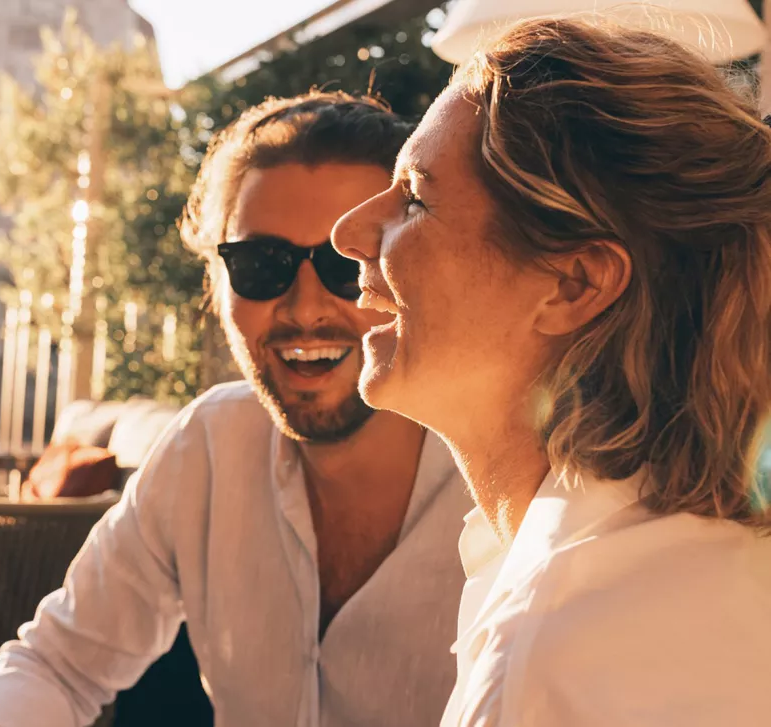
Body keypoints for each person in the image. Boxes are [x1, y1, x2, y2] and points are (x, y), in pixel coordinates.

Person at [0, 92, 471, 727]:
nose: (306, 307)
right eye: (264, 265)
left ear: (410, 269)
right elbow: (61, 663)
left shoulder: (498, 480)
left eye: (348, 266)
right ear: (219, 284)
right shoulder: (212, 442)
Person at [332, 17, 771, 727]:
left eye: (415, 197)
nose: (346, 231)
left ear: (572, 283)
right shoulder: (662, 570)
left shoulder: (565, 649)